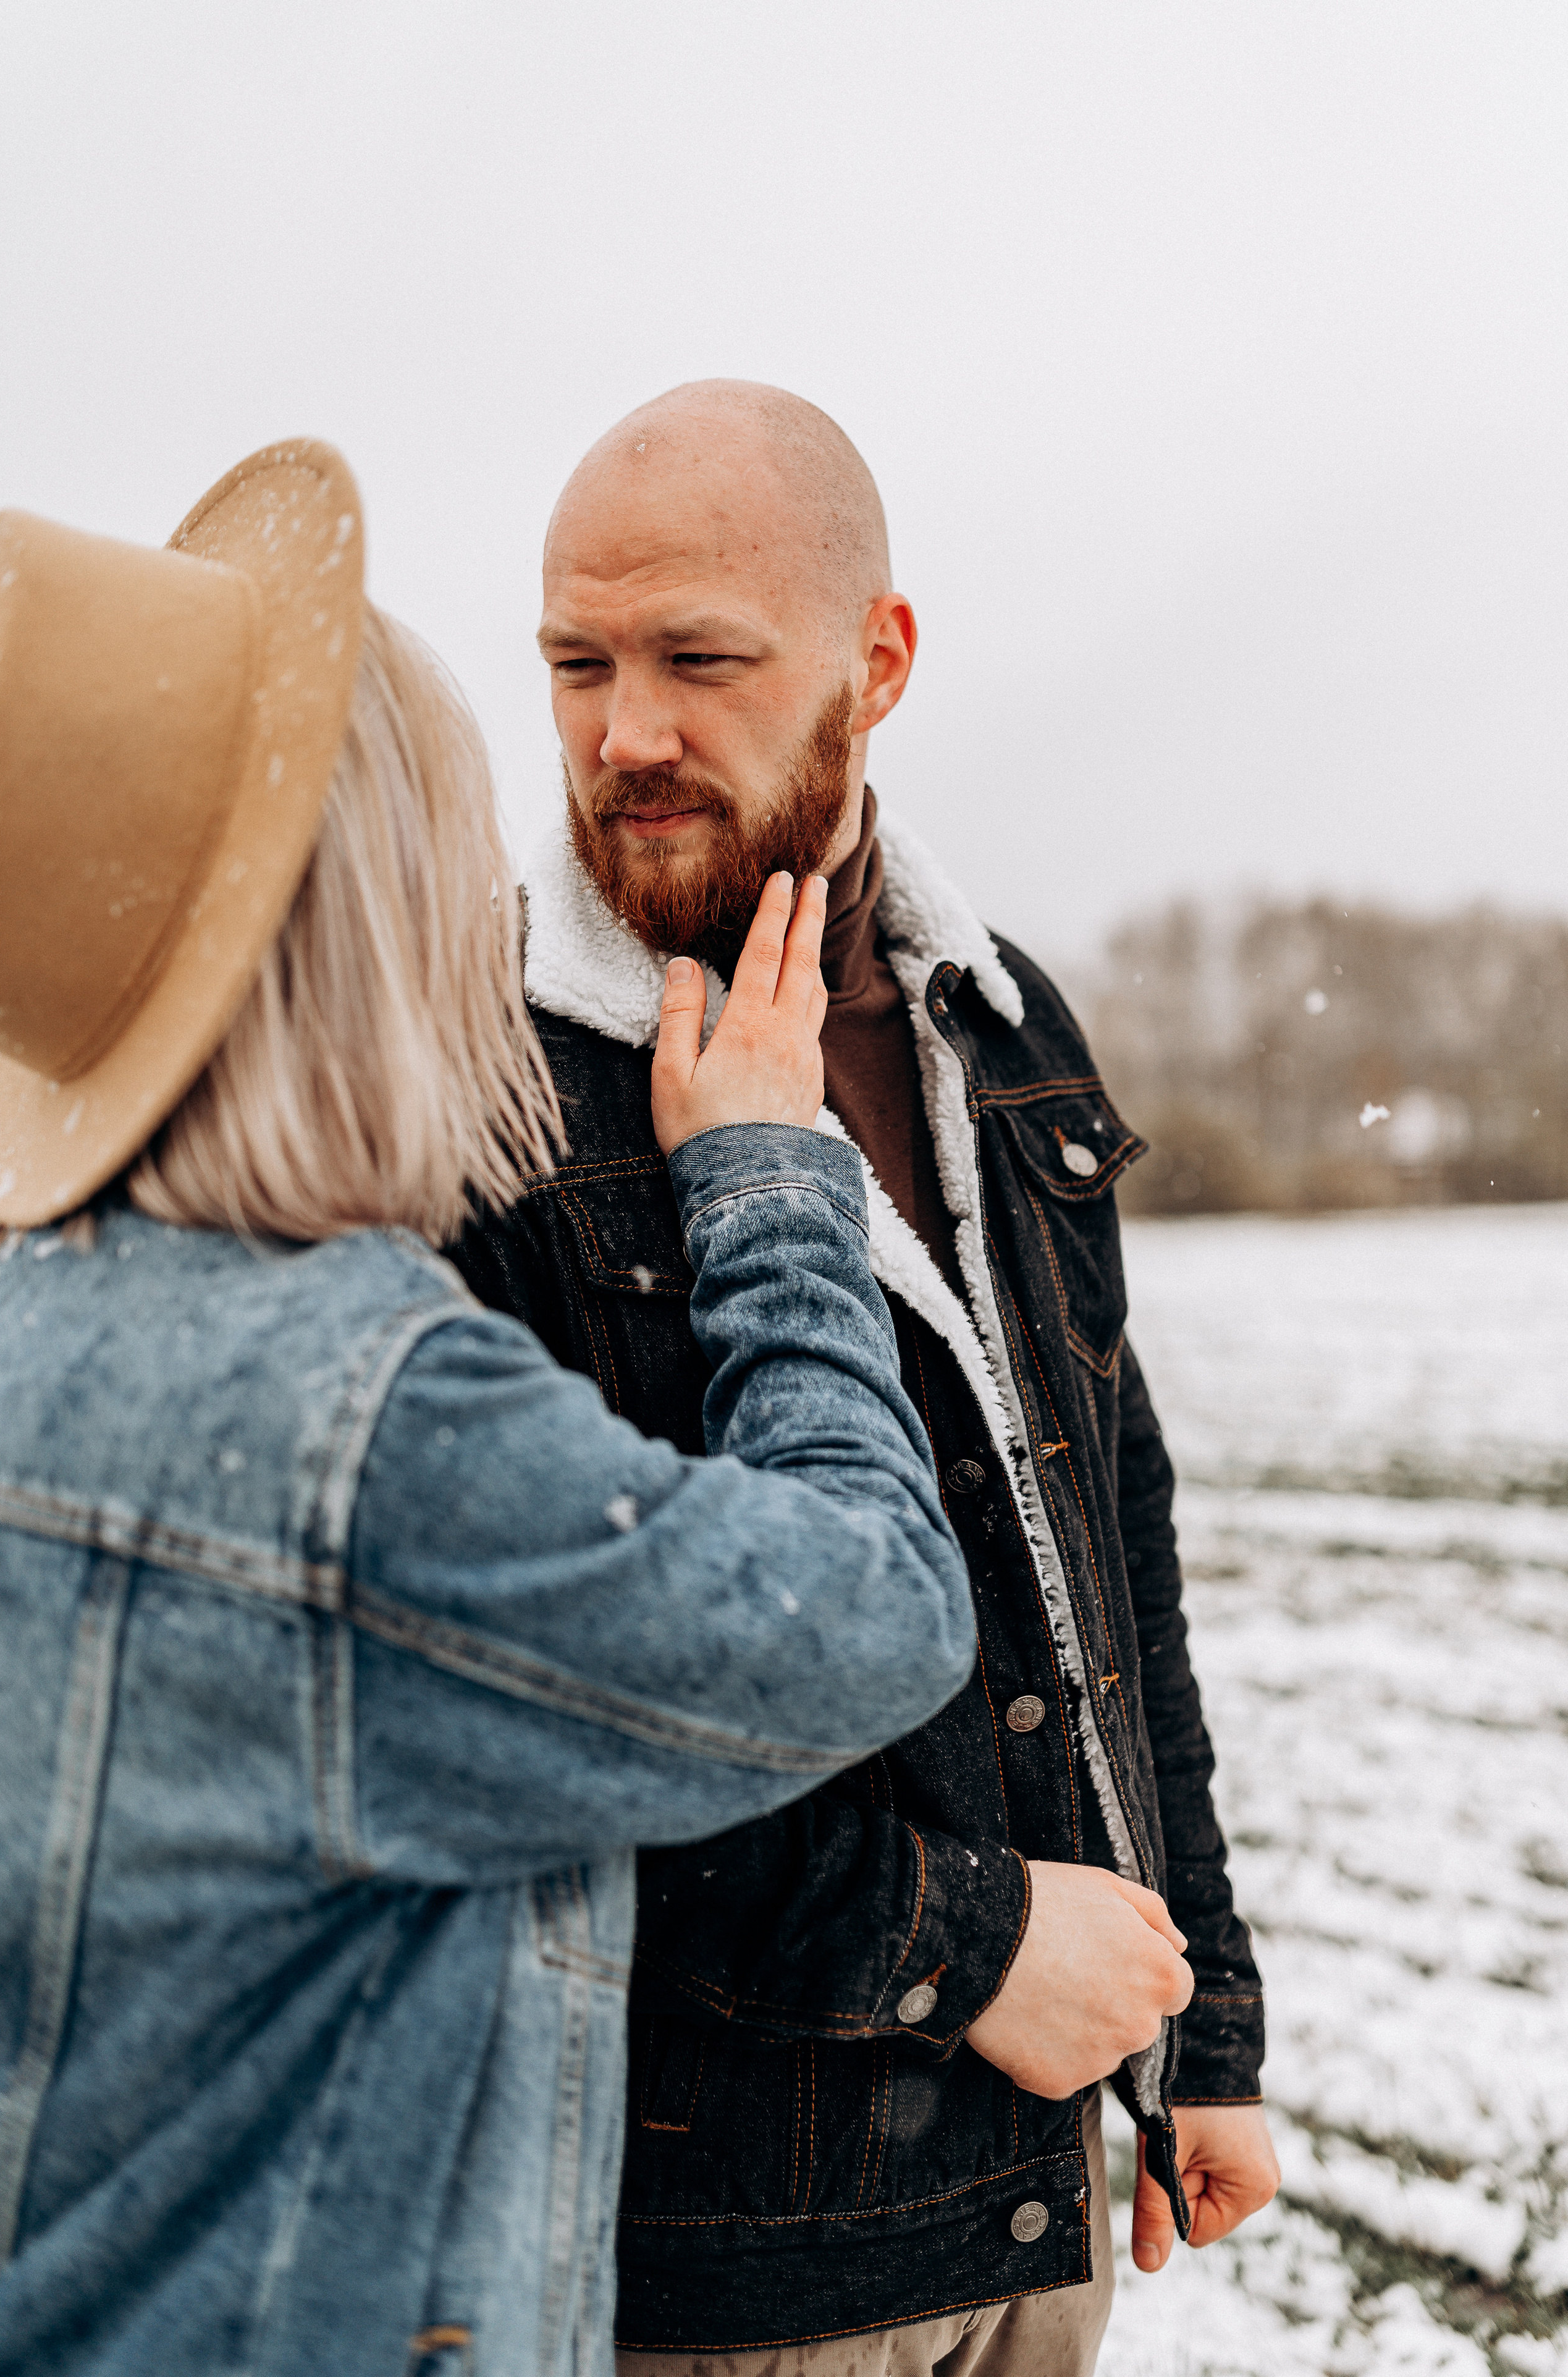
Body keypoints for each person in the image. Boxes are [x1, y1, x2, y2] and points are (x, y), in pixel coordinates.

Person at [0, 441, 980, 2377]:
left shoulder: (27, 1343)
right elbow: (871, 1609)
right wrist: (778, 1191)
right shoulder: (366, 1428)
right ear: (366, 910)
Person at [452, 382, 1281, 2375]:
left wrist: (1209, 2030)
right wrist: (967, 1948)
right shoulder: (469, 1083)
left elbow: (1109, 1571)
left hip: (1031, 2194)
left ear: (876, 662)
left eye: (696, 661)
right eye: (577, 662)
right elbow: (514, 1716)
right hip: (701, 2262)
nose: (622, 730)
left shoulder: (1006, 1034)